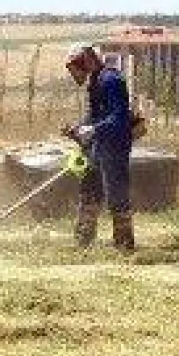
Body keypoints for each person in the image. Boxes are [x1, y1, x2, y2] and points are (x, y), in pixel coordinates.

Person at [60, 43, 136, 251]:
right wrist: (78, 128)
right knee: (89, 190)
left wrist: (93, 129)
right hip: (97, 146)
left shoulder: (111, 80)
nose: (74, 75)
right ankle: (83, 241)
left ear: (85, 62)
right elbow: (95, 116)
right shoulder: (95, 81)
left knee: (116, 195)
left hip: (114, 146)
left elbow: (119, 116)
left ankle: (124, 244)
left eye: (74, 69)